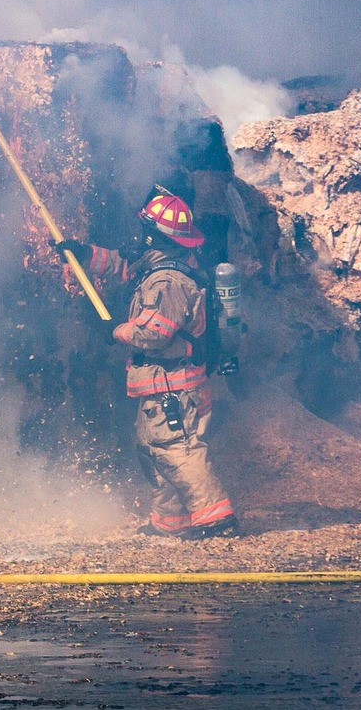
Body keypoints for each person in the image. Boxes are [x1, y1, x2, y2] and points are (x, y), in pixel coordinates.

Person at [55, 187, 239, 540]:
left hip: (175, 387)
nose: (140, 237)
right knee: (155, 451)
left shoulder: (167, 282)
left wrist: (115, 331)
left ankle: (216, 519)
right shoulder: (161, 265)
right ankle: (170, 523)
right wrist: (80, 254)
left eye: (145, 231)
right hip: (162, 386)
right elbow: (122, 264)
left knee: (178, 451)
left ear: (153, 235)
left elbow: (156, 334)